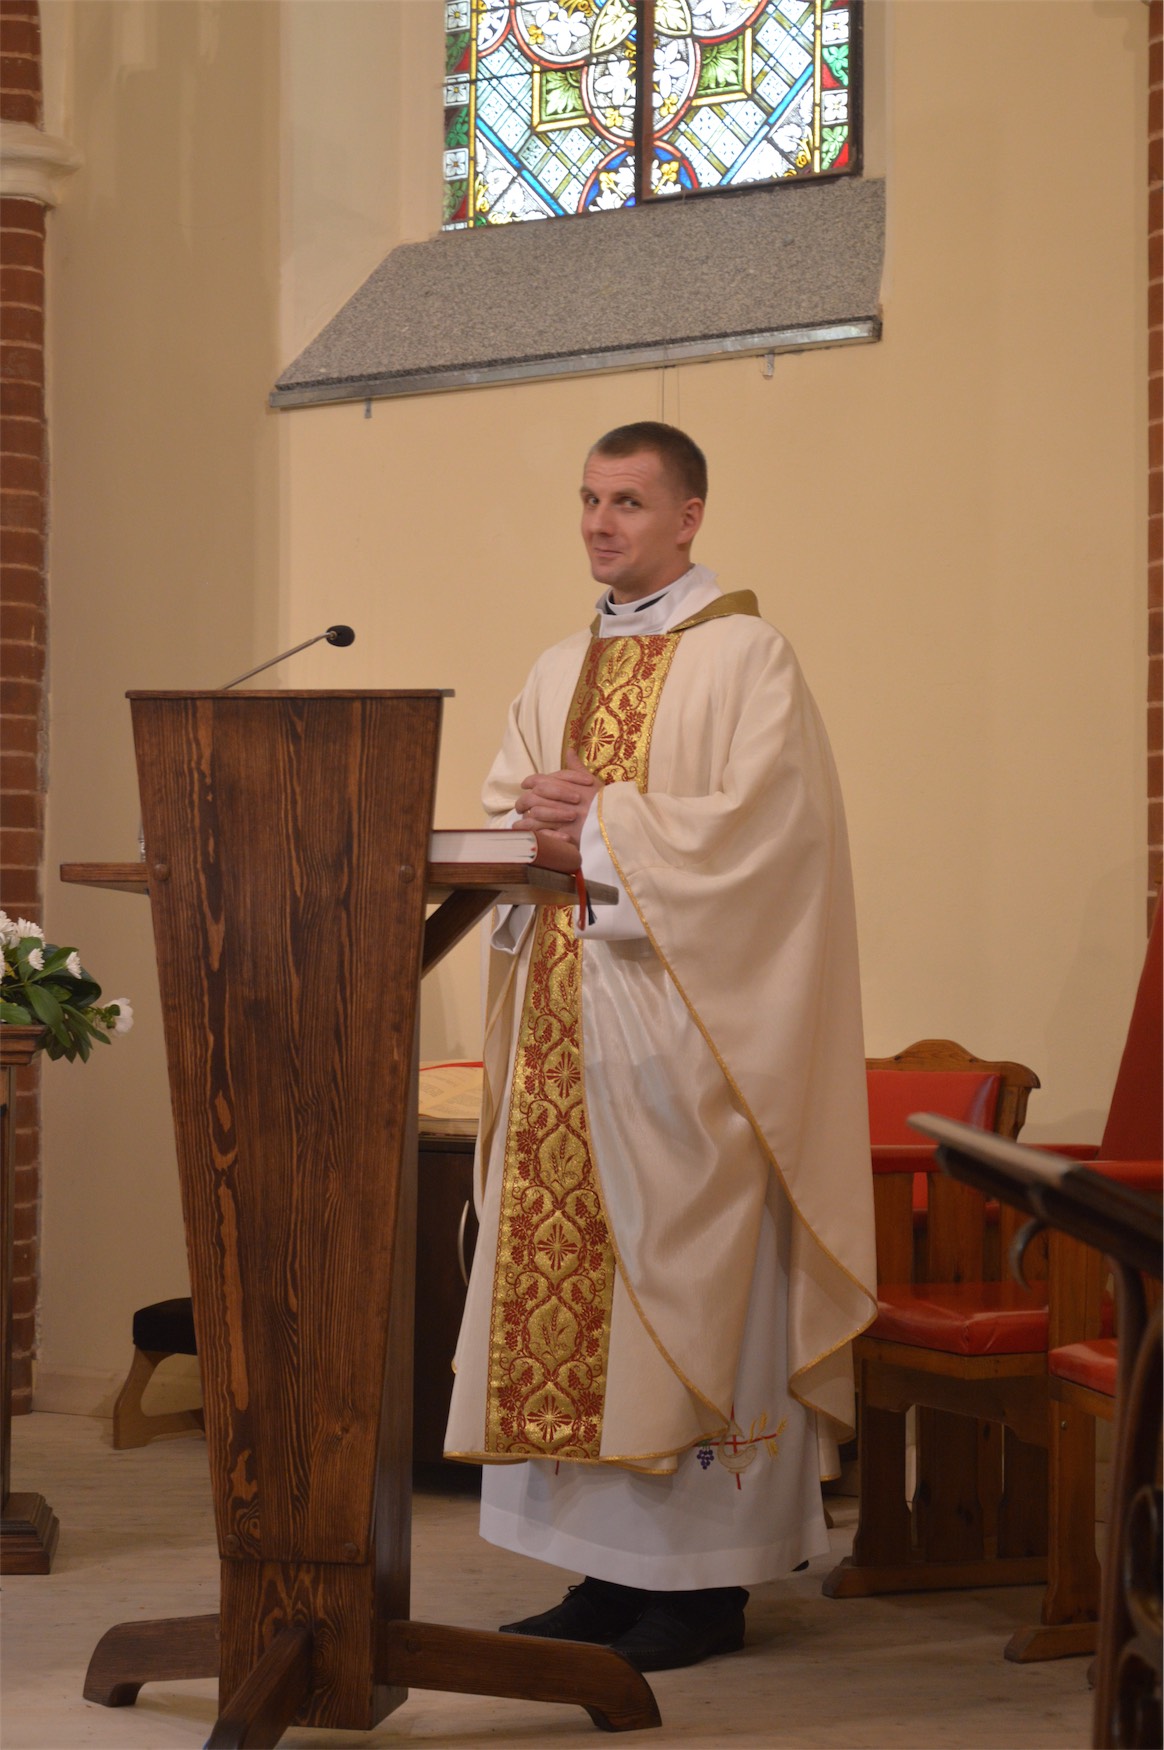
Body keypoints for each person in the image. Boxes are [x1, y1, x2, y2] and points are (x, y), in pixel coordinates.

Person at [444, 421, 876, 1673]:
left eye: (628, 501)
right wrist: (532, 822)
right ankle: (602, 1578)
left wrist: (608, 823)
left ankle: (700, 1588)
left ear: (689, 517)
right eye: (589, 498)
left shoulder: (748, 657)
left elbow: (772, 840)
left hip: (689, 1049)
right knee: (573, 1315)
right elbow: (508, 810)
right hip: (565, 1037)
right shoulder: (556, 666)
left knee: (681, 1301)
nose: (599, 522)